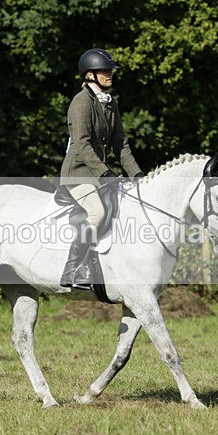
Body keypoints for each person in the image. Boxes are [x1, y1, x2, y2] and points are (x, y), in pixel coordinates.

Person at [59, 48, 144, 289]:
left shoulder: (110, 103)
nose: (110, 74)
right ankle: (72, 268)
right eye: (105, 71)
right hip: (78, 172)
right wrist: (105, 173)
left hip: (97, 173)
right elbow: (83, 144)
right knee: (97, 213)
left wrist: (137, 174)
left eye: (109, 71)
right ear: (90, 74)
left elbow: (121, 144)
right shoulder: (81, 101)